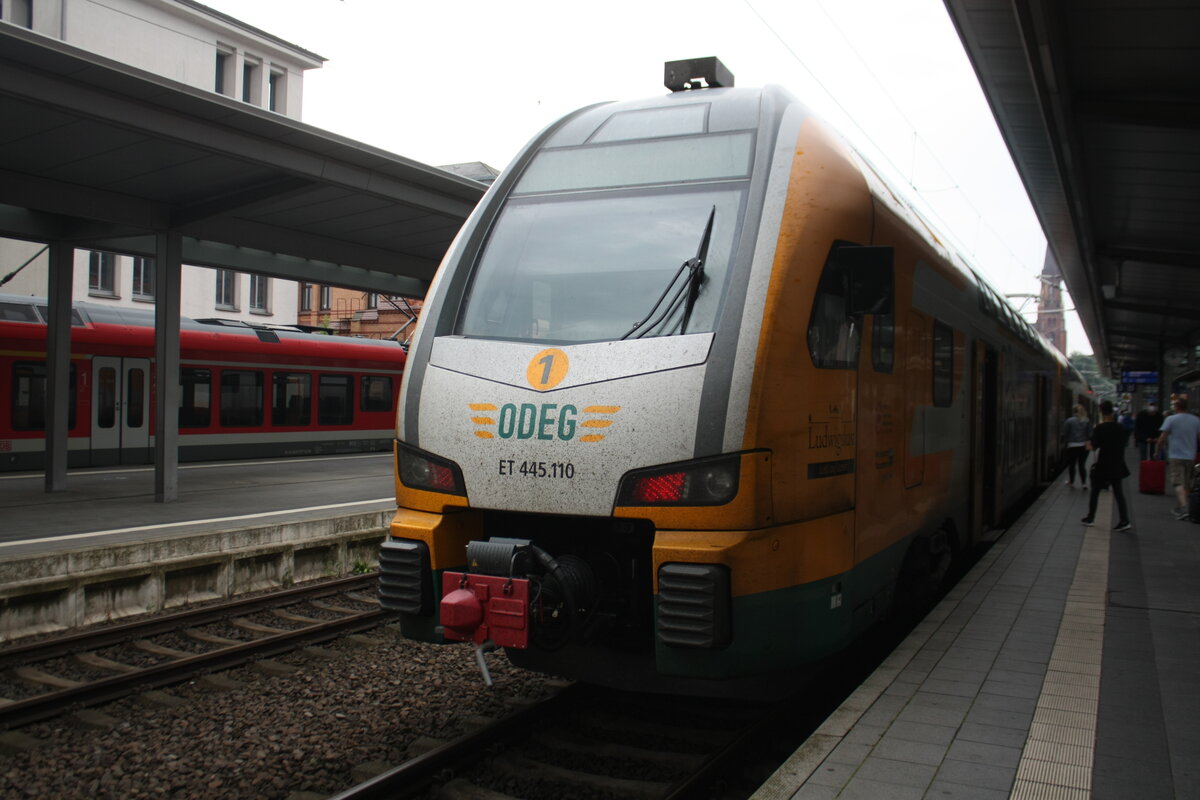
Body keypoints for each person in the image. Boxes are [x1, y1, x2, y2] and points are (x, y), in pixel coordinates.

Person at [1082, 399, 1132, 531]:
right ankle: (1124, 520)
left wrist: (1088, 444)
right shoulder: (1120, 428)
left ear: (1101, 411)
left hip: (1103, 464)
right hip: (1118, 464)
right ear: (1112, 411)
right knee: (1119, 493)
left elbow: (1093, 447)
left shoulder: (1100, 428)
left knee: (1095, 492)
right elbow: (1124, 443)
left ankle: (1091, 518)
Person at [1155, 397, 1200, 520]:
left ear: (1176, 407)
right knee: (1187, 483)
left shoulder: (1171, 419)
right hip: (1190, 456)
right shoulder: (1196, 420)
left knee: (1177, 482)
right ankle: (1185, 506)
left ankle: (1184, 508)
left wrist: (1157, 452)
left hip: (1176, 455)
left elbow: (1162, 438)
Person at [1061, 405, 1092, 487]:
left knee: (1072, 465)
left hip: (1072, 446)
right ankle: (1084, 483)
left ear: (1074, 412)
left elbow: (1065, 433)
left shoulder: (1069, 421)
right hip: (1083, 446)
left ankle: (1071, 482)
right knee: (1082, 465)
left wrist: (1066, 442)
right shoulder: (1087, 420)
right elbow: (1090, 434)